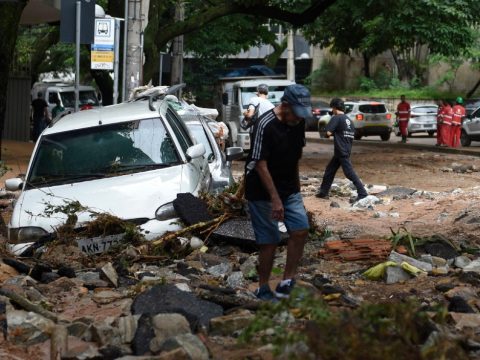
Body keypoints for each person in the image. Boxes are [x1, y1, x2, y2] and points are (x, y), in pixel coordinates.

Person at [245, 84, 311, 301]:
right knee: (270, 240)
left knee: (300, 229)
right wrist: (275, 199)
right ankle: (263, 287)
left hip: (288, 186)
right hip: (261, 189)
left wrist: (297, 189)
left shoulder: (298, 122)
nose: (299, 118)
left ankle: (286, 283)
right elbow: (260, 164)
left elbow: (295, 157)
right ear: (285, 105)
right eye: (296, 113)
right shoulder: (265, 124)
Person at [315, 98, 368, 201]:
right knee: (330, 170)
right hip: (345, 149)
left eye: (332, 108)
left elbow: (328, 134)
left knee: (349, 173)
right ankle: (323, 192)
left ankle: (362, 193)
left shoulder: (336, 118)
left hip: (341, 150)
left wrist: (327, 128)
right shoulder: (349, 120)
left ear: (334, 108)